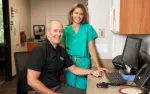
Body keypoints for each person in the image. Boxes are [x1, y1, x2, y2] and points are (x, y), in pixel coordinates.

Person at [27, 20, 101, 94]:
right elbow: (31, 81)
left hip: (58, 87)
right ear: (48, 32)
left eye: (60, 31)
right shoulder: (40, 50)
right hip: (43, 91)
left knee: (86, 92)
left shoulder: (62, 51)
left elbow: (74, 69)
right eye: (55, 31)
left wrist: (91, 72)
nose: (58, 34)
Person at [60, 3, 107, 90]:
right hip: (70, 65)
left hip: (84, 65)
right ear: (72, 14)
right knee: (70, 90)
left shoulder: (88, 28)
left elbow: (92, 48)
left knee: (82, 89)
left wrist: (98, 66)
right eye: (76, 13)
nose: (78, 16)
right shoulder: (65, 30)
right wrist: (63, 66)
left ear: (84, 16)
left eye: (81, 14)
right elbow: (62, 50)